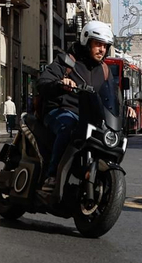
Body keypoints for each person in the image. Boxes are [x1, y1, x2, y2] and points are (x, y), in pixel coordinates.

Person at [34, 21, 116, 201]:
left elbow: (110, 98)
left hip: (88, 118)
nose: (101, 49)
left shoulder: (104, 71)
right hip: (60, 110)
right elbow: (43, 82)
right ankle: (52, 176)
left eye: (105, 46)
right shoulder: (67, 61)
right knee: (68, 126)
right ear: (87, 42)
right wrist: (60, 83)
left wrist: (128, 110)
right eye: (97, 44)